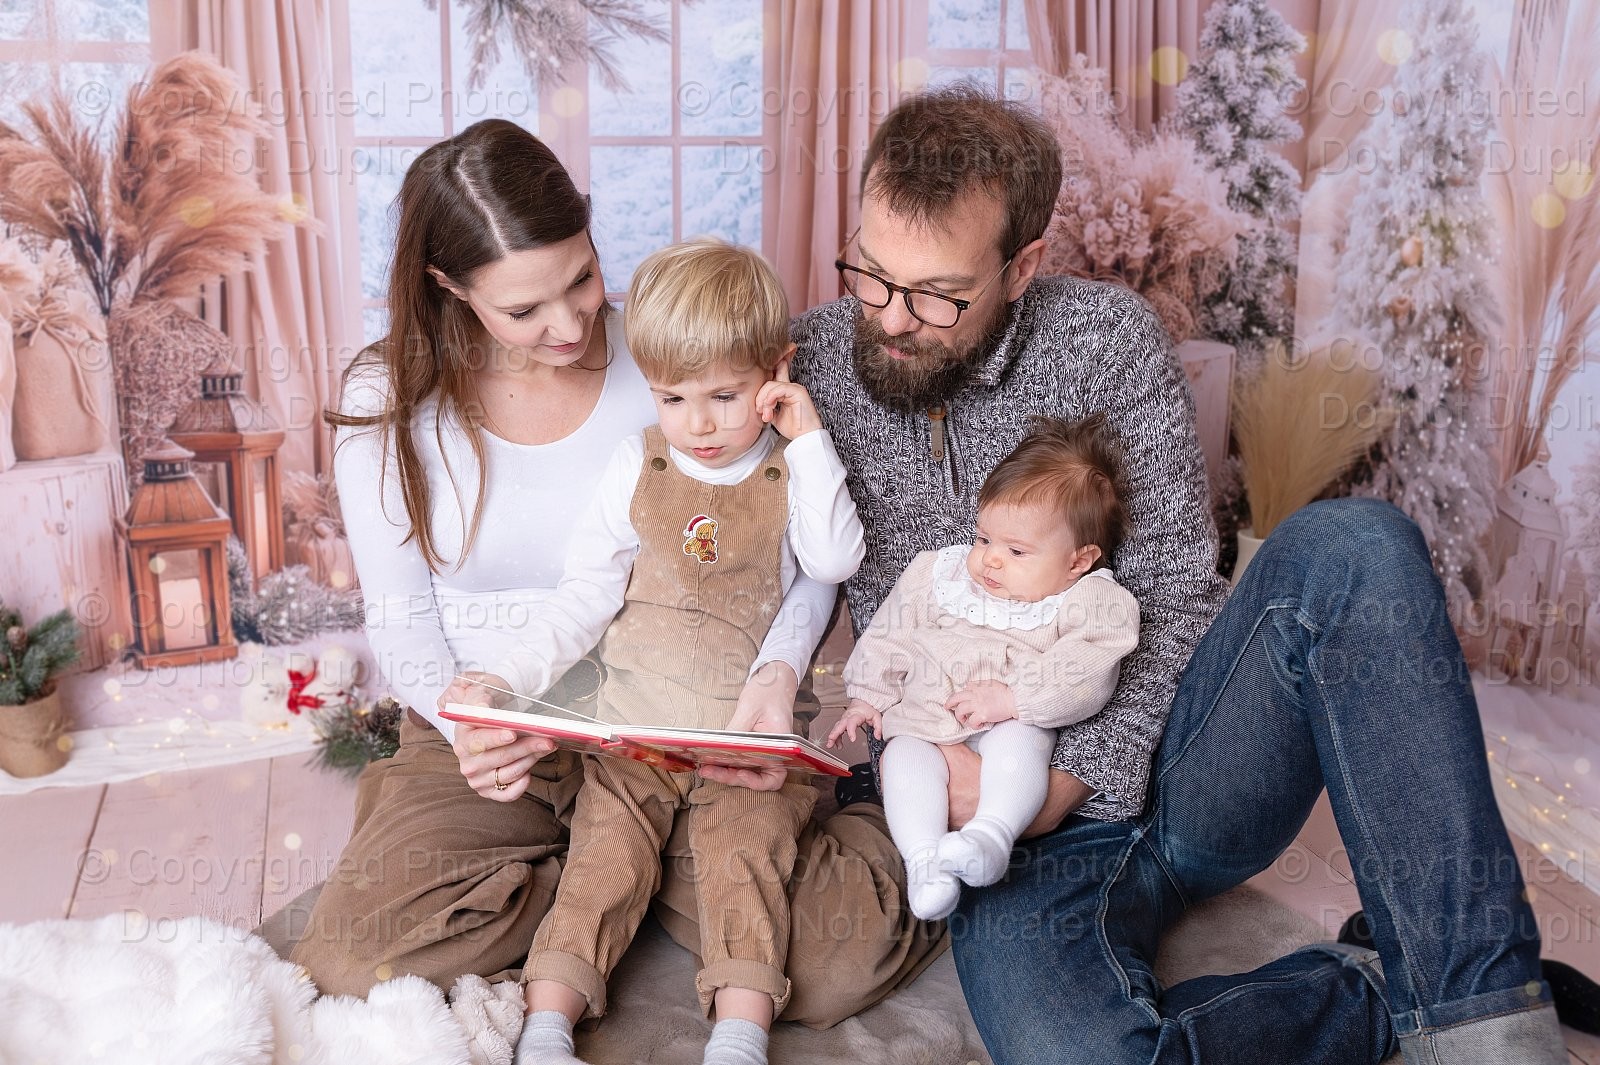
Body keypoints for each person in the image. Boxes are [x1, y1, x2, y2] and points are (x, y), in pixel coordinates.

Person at [791, 84, 1571, 1064]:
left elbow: (1170, 592)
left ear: (1022, 265)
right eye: (870, 273)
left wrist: (1064, 782)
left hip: (1180, 770)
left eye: (937, 294)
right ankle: (1377, 982)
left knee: (1357, 545)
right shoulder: (816, 362)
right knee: (1083, 1055)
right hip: (997, 818)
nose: (891, 318)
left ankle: (1487, 1026)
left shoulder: (1105, 339)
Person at [289, 120, 945, 1026]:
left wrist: (777, 673)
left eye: (582, 279)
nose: (567, 325)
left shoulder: (671, 364)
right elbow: (400, 617)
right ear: (448, 286)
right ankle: (596, 882)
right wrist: (469, 723)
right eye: (524, 310)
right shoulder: (387, 397)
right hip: (498, 721)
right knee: (351, 960)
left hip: (678, 719)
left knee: (835, 961)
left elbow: (795, 550)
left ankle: (810, 825)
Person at [452, 237, 863, 1065]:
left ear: (776, 374)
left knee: (747, 856)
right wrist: (506, 674)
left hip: (744, 739)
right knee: (603, 858)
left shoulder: (794, 472)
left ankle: (739, 1037)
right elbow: (584, 594)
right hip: (636, 727)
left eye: (724, 395)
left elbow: (832, 564)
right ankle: (546, 1028)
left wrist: (809, 437)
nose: (697, 424)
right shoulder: (636, 463)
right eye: (672, 396)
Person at [828, 414, 1139, 920]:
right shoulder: (941, 574)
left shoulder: (1090, 600)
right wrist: (867, 695)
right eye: (983, 538)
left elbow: (1086, 670)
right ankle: (925, 862)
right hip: (927, 720)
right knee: (901, 761)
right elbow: (892, 630)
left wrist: (1016, 699)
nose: (991, 560)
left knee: (1020, 748)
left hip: (1008, 720)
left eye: (1016, 550)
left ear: (1078, 561)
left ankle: (991, 836)